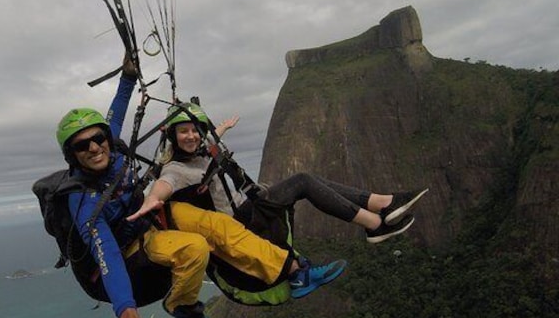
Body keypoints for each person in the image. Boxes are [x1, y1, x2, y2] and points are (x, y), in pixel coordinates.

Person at [54, 60, 348, 318]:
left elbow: (115, 114)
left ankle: (295, 272)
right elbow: (108, 255)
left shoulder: (111, 148)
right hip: (130, 251)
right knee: (195, 248)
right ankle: (181, 304)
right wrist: (127, 314)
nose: (93, 148)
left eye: (97, 139)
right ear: (72, 155)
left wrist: (128, 76)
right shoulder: (83, 201)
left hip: (149, 219)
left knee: (219, 225)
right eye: (82, 146)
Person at [129, 101, 429, 251]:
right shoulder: (176, 168)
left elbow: (205, 140)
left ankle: (381, 204)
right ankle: (375, 224)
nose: (192, 136)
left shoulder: (199, 152)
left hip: (249, 201)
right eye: (184, 131)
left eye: (195, 130)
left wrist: (221, 129)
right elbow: (163, 186)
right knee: (303, 182)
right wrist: (151, 201)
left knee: (311, 179)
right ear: (172, 136)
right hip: (243, 217)